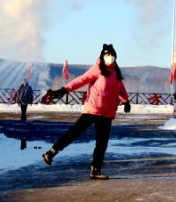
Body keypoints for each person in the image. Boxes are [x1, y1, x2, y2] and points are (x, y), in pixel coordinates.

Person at [42, 44, 131, 180]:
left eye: (112, 55)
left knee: (102, 143)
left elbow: (120, 88)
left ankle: (96, 170)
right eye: (108, 55)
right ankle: (51, 152)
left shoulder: (116, 72)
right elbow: (81, 80)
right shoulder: (97, 69)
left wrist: (126, 101)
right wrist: (64, 90)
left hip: (107, 114)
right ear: (103, 56)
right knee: (74, 133)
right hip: (93, 110)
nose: (110, 57)